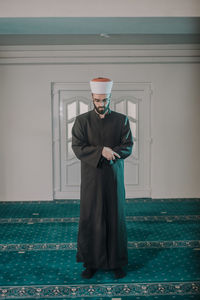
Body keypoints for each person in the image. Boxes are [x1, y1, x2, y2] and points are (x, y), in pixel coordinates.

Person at [71, 77, 134, 279]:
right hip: (91, 178)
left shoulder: (121, 120)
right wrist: (100, 152)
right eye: (97, 100)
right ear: (92, 98)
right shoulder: (82, 121)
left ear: (109, 98)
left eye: (104, 100)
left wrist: (111, 153)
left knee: (115, 218)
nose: (101, 104)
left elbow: (128, 145)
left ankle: (116, 263)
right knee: (92, 218)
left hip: (114, 176)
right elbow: (77, 146)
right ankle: (91, 263)